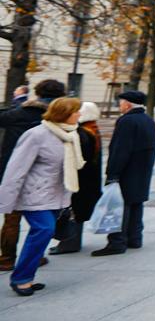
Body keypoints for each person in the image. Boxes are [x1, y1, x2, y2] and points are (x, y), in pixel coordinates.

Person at [0, 97, 84, 295]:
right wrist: (6, 200)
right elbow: (16, 169)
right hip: (35, 195)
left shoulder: (70, 134)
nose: (79, 114)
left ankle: (26, 276)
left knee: (42, 234)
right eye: (76, 111)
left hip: (57, 196)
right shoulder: (36, 135)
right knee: (44, 230)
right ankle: (21, 278)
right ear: (63, 113)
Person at [0, 79, 65, 272]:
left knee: (12, 218)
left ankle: (7, 258)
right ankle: (35, 257)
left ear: (37, 92)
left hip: (13, 170)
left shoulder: (20, 112)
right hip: (45, 175)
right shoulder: (60, 116)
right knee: (43, 222)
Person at [91, 90, 155, 257]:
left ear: (128, 104)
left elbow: (120, 149)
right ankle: (134, 238)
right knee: (136, 203)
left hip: (127, 170)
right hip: (143, 169)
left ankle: (117, 242)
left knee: (120, 206)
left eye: (121, 102)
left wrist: (112, 173)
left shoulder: (126, 121)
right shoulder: (148, 120)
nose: (120, 105)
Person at [50, 101, 103, 255]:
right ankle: (70, 242)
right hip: (89, 179)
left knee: (73, 212)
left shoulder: (82, 133)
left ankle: (69, 243)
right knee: (77, 212)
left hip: (81, 179)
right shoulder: (93, 130)